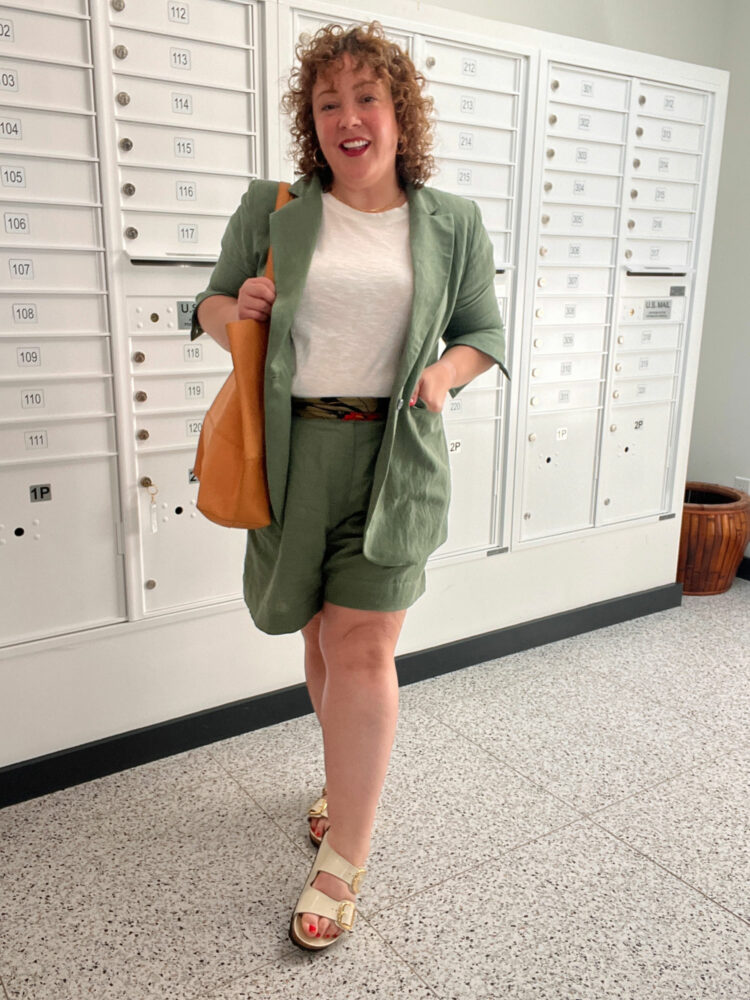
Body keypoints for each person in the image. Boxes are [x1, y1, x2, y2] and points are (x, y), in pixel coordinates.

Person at [191, 21, 507, 951]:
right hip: (294, 455)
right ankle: (342, 779)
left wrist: (445, 376)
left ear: (400, 115)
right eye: (328, 103)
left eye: (367, 97)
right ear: (312, 122)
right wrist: (233, 310)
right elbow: (205, 302)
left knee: (365, 647)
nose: (348, 117)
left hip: (396, 458)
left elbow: (482, 332)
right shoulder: (276, 207)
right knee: (321, 638)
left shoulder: (451, 220)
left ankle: (345, 859)